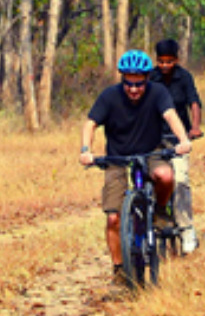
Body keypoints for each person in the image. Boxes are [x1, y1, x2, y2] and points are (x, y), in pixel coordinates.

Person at [78, 50, 192, 285]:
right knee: (113, 218)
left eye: (139, 84)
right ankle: (120, 269)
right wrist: (85, 150)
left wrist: (183, 140)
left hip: (151, 151)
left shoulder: (158, 93)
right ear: (122, 79)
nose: (133, 89)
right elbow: (90, 124)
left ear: (147, 80)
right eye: (128, 83)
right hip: (117, 157)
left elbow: (171, 116)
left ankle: (160, 212)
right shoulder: (109, 96)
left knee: (165, 175)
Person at [150, 38, 204, 254]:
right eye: (161, 62)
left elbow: (194, 102)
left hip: (177, 139)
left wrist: (195, 127)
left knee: (180, 181)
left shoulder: (184, 77)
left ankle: (186, 229)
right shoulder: (150, 78)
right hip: (152, 138)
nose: (165, 66)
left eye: (169, 61)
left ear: (177, 60)